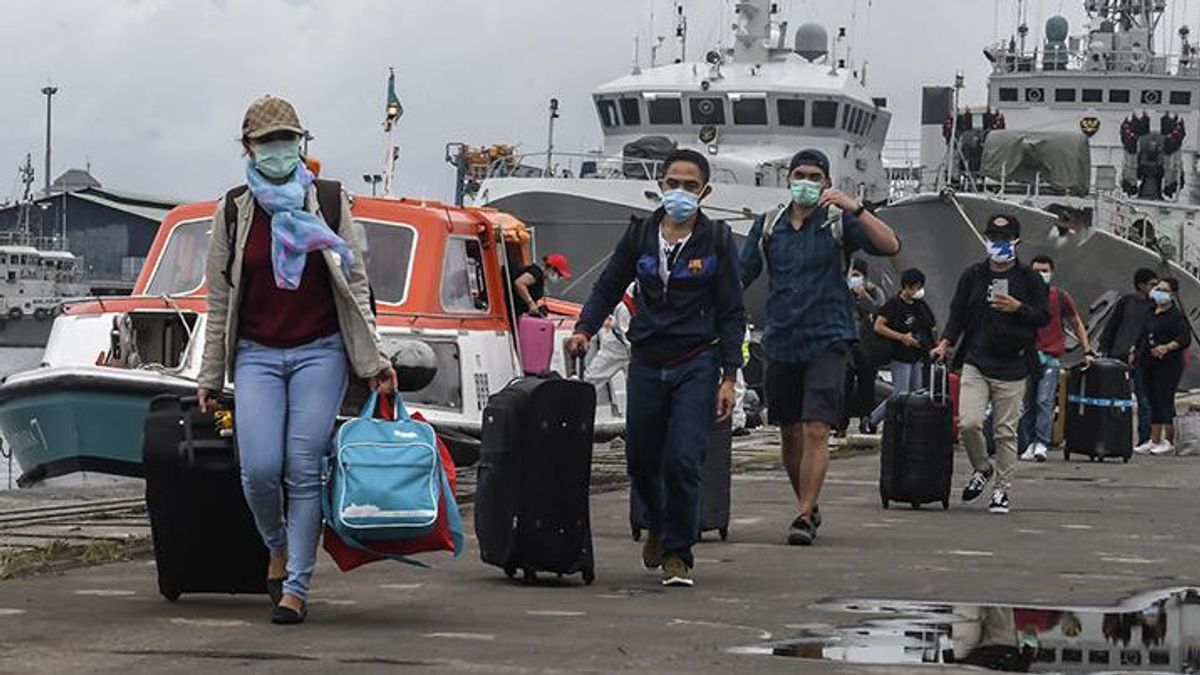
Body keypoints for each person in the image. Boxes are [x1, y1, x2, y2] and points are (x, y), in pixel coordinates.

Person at [197, 95, 397, 625]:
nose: (280, 149)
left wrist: (375, 358)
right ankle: (278, 546)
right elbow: (219, 300)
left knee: (303, 468)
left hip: (321, 352)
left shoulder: (328, 201)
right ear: (248, 148)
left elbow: (355, 284)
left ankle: (297, 587)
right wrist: (209, 376)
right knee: (259, 470)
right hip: (257, 354)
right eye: (269, 141)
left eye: (289, 139)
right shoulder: (234, 209)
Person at [565, 148, 745, 587]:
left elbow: (731, 313)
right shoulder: (640, 235)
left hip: (694, 362)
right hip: (646, 360)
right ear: (659, 186)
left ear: (704, 192)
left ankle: (678, 553)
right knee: (641, 458)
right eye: (672, 183)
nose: (679, 192)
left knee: (684, 458)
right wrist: (585, 328)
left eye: (689, 185)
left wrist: (727, 377)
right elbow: (608, 286)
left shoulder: (717, 240)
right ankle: (658, 524)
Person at [740, 148, 900, 545]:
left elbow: (891, 244)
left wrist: (856, 207)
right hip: (781, 338)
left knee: (816, 428)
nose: (806, 182)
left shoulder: (838, 222)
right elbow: (740, 275)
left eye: (815, 176)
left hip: (828, 337)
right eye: (800, 174)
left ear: (827, 182)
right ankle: (807, 504)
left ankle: (802, 515)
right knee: (790, 432)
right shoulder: (768, 226)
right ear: (788, 179)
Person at [931, 214, 1049, 515]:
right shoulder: (973, 275)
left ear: (1016, 242)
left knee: (1005, 432)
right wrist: (945, 342)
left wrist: (1018, 307)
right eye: (993, 239)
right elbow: (957, 313)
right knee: (969, 423)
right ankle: (982, 467)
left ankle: (1001, 489)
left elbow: (1043, 316)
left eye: (1004, 239)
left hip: (1013, 363)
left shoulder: (1030, 279)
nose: (998, 245)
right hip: (977, 360)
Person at [1019, 255, 1095, 461]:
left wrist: (1087, 349)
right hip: (1027, 355)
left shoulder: (1060, 296)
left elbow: (1076, 322)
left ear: (1052, 272)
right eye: (1036, 270)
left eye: (1044, 270)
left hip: (1051, 356)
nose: (1040, 274)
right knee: (1028, 403)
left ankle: (1041, 443)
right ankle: (1028, 443)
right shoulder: (1021, 294)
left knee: (1044, 400)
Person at [866, 268, 938, 431]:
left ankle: (910, 427)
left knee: (916, 395)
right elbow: (879, 326)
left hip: (917, 356)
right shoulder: (894, 304)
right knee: (899, 395)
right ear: (906, 287)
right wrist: (902, 337)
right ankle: (873, 420)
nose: (917, 291)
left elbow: (931, 325)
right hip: (900, 356)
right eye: (914, 287)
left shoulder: (921, 305)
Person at [1098, 267, 1158, 446]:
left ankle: (1144, 438)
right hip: (1120, 356)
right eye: (1153, 284)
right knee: (1117, 399)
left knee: (1144, 399)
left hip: (1141, 358)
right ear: (1141, 285)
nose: (1157, 288)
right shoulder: (1127, 301)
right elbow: (1112, 326)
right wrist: (1104, 349)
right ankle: (1115, 435)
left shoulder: (1156, 305)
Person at [1134, 276, 1191, 455]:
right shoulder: (1150, 311)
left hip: (1169, 364)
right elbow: (1143, 333)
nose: (1159, 293)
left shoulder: (1176, 316)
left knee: (1164, 399)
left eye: (1165, 290)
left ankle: (1169, 440)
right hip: (1149, 361)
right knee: (1152, 399)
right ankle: (1154, 439)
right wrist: (1134, 350)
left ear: (1173, 294)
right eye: (1158, 289)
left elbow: (1184, 339)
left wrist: (1166, 348)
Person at [845, 258, 887, 434]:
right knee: (844, 383)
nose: (854, 279)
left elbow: (880, 311)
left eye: (857, 275)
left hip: (867, 345)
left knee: (867, 386)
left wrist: (864, 296)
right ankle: (841, 421)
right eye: (851, 275)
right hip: (846, 344)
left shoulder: (873, 291)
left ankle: (867, 420)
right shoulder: (842, 292)